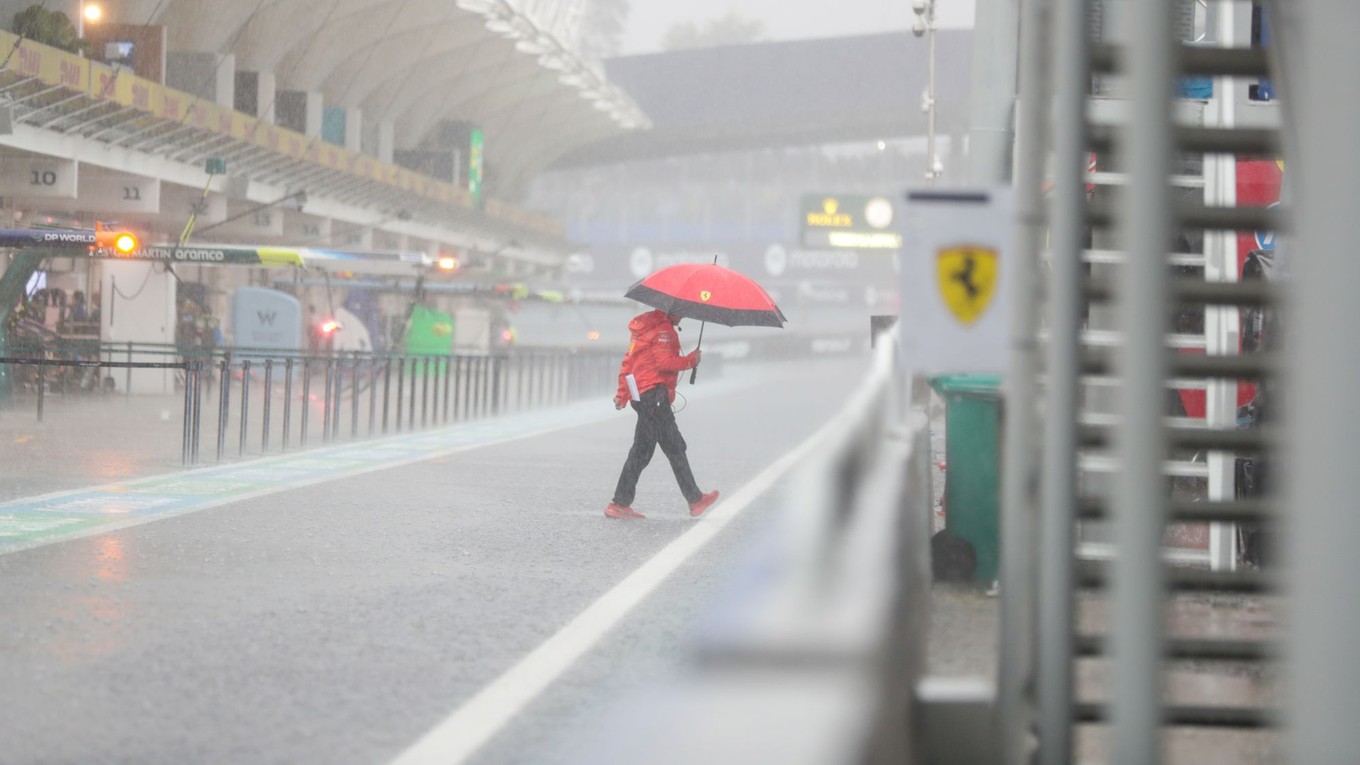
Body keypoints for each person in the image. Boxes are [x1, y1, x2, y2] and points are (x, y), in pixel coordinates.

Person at [605, 309, 719, 520]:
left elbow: (628, 363)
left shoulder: (643, 329)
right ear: (671, 311)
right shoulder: (664, 331)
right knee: (671, 448)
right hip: (655, 397)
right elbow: (664, 363)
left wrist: (623, 393)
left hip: (642, 397)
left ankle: (621, 501)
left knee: (645, 450)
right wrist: (690, 361)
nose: (683, 317)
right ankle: (694, 499)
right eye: (681, 313)